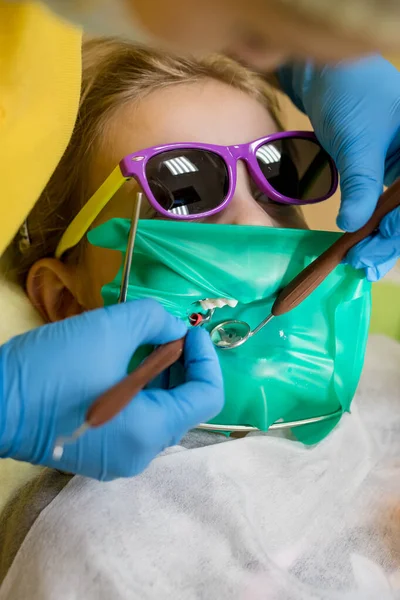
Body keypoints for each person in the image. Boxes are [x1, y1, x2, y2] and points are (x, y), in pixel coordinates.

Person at [0, 0, 399, 482]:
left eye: (278, 173)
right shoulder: (91, 531)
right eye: (182, 192)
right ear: (66, 302)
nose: (255, 225)